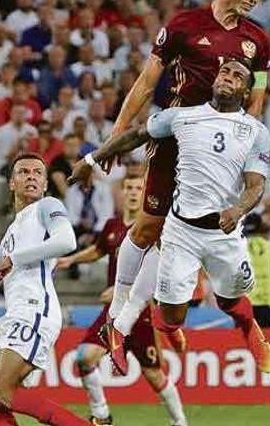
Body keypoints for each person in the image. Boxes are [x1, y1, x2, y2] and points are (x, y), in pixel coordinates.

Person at [92, 0, 270, 364]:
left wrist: (244, 146)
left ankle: (229, 323)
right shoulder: (183, 26)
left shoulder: (257, 41)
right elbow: (145, 82)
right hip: (175, 137)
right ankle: (119, 319)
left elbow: (257, 98)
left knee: (213, 243)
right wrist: (117, 134)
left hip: (221, 150)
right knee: (146, 228)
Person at [70, 58, 270, 376]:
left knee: (231, 302)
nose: (228, 76)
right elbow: (135, 135)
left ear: (246, 91)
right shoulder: (182, 117)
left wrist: (238, 209)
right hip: (181, 231)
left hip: (224, 233)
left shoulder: (255, 132)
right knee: (172, 318)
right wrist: (93, 158)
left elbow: (256, 186)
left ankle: (251, 329)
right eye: (223, 71)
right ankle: (171, 328)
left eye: (237, 75)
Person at [0, 152, 87, 426]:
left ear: (44, 185)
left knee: (2, 392)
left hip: (36, 308)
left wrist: (13, 259)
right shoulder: (10, 234)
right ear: (11, 183)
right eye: (23, 172)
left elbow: (67, 241)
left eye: (37, 173)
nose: (31, 176)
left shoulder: (47, 206)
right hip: (14, 313)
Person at [56, 175, 187, 426]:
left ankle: (180, 422)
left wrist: (120, 288)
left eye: (139, 188)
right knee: (84, 357)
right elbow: (98, 250)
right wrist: (71, 260)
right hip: (113, 312)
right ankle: (102, 414)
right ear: (122, 192)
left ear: (146, 192)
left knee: (154, 376)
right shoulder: (112, 225)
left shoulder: (154, 229)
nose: (134, 192)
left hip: (141, 314)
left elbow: (159, 267)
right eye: (129, 187)